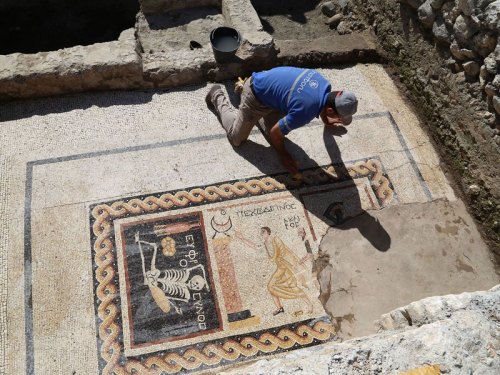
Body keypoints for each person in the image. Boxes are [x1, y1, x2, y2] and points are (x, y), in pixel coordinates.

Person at [205, 66, 358, 175]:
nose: (338, 120)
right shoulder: (305, 111)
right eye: (339, 117)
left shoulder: (323, 83)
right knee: (238, 139)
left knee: (273, 135)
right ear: (330, 110)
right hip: (255, 97)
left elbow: (322, 105)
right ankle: (216, 94)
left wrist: (327, 121)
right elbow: (275, 133)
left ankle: (252, 107)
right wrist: (283, 156)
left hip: (270, 88)